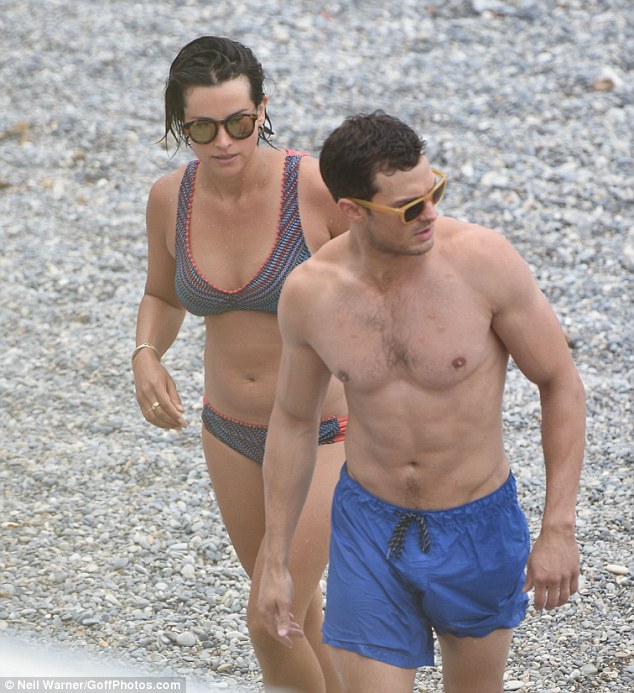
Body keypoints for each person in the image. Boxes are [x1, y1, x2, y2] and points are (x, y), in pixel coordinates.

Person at [256, 111, 586, 693]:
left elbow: (559, 381)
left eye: (434, 192)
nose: (429, 213)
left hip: (477, 523)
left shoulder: (483, 262)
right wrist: (274, 558)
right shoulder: (311, 294)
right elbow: (293, 419)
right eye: (409, 207)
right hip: (369, 527)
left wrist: (558, 525)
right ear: (353, 210)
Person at [131, 36, 349, 692]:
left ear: (263, 110)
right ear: (179, 124)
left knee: (270, 618)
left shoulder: (315, 187)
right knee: (299, 614)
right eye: (201, 127)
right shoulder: (170, 198)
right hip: (227, 431)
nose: (223, 141)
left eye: (239, 122)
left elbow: (390, 288)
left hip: (323, 433)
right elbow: (163, 293)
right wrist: (146, 352)